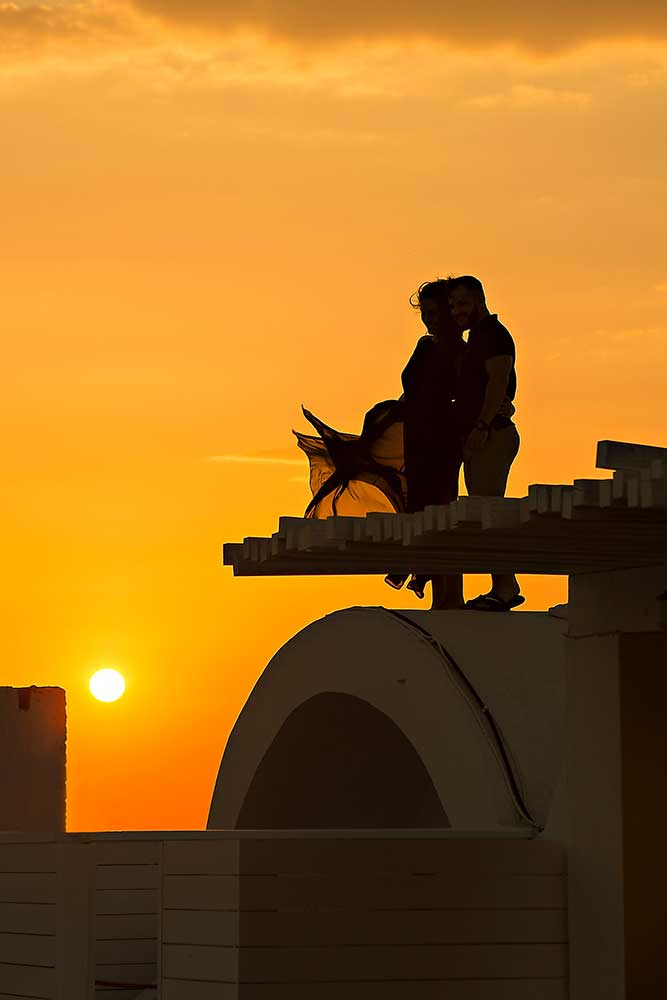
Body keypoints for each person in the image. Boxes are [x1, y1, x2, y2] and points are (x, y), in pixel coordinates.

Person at [447, 274, 523, 611]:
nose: (457, 311)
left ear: (478, 300)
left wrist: (481, 426)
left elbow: (498, 383)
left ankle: (505, 588)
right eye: (452, 306)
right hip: (483, 434)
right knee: (484, 511)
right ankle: (502, 584)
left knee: (489, 512)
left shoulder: (493, 335)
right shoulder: (476, 338)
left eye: (462, 303)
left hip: (492, 436)